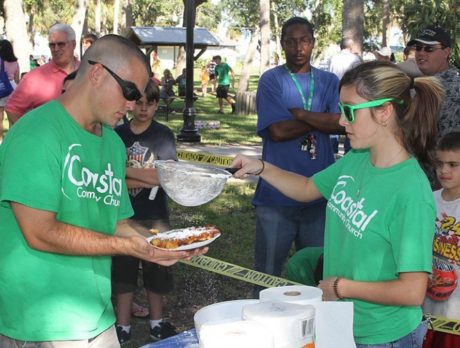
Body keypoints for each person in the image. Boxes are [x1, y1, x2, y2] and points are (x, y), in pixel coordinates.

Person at [0, 34, 206, 347]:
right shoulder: (37, 134)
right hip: (40, 324)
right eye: (129, 91)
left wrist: (158, 245)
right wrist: (132, 249)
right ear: (97, 73)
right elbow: (39, 232)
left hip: (96, 317)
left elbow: (116, 221)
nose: (133, 104)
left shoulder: (112, 143)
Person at [232, 60, 444, 347]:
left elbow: (412, 291)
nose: (341, 121)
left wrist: (339, 287)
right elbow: (307, 188)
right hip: (341, 322)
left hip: (382, 336)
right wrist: (260, 167)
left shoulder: (410, 192)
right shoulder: (357, 159)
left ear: (384, 111)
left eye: (348, 111)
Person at [252, 17, 342, 288]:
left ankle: (313, 330)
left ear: (313, 43)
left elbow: (340, 122)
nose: (298, 47)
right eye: (290, 41)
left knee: (317, 275)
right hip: (276, 197)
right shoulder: (272, 80)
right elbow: (277, 131)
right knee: (266, 275)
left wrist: (300, 114)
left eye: (304, 40)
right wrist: (320, 118)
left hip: (319, 194)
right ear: (282, 44)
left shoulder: (329, 80)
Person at [113, 79, 178, 344]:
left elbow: (166, 176)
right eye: (138, 103)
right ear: (130, 104)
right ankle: (123, 326)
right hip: (122, 216)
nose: (143, 109)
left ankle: (156, 323)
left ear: (156, 105)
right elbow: (112, 178)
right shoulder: (118, 134)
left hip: (155, 216)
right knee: (123, 274)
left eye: (149, 104)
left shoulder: (163, 135)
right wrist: (146, 177)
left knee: (157, 271)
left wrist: (127, 174)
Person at [422, 131, 460, 348]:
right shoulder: (427, 199)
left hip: (455, 316)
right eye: (440, 164)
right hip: (425, 310)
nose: (444, 170)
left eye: (453, 164)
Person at [6, 23, 80, 124]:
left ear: (74, 44)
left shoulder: (88, 71)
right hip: (51, 138)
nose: (56, 49)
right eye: (52, 45)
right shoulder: (34, 78)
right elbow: (12, 109)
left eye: (61, 44)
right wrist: (30, 136)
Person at [408, 25, 460, 138]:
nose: (421, 53)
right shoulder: (426, 84)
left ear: (446, 52)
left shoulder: (452, 89)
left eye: (429, 48)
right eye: (418, 47)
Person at [328, 37, 360, 156]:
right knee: (349, 120)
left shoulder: (333, 58)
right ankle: (348, 150)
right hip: (350, 95)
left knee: (335, 119)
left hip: (334, 92)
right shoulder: (355, 59)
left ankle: (334, 149)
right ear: (350, 47)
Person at [0, 39, 20, 140]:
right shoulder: (15, 62)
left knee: (0, 117)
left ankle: (1, 139)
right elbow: (17, 79)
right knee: (11, 116)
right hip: (12, 89)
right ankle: (10, 139)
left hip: (1, 88)